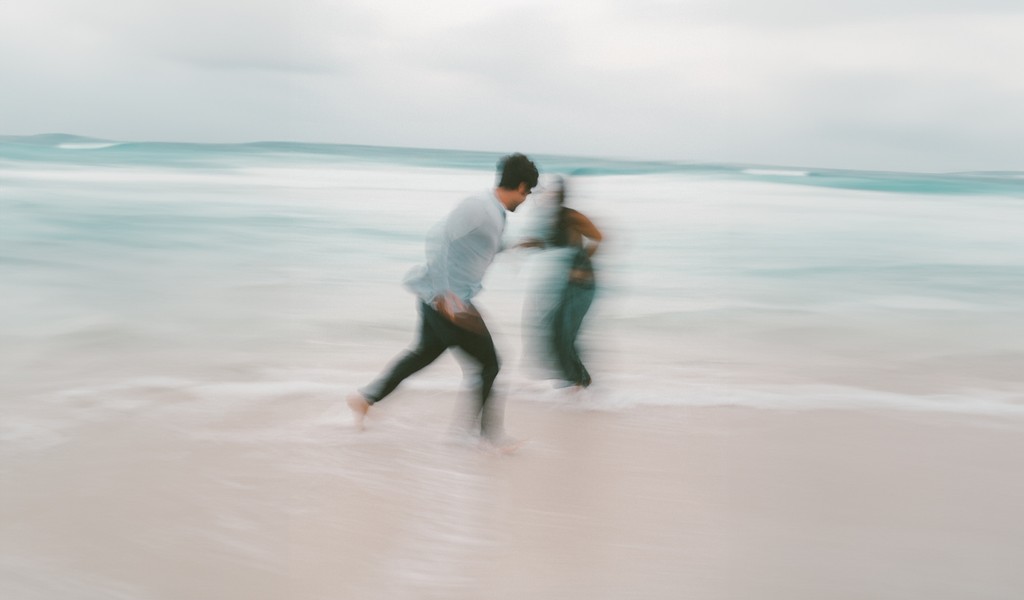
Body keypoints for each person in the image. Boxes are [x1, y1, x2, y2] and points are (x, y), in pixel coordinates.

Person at [347, 153, 539, 448]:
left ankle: (365, 399)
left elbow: (479, 246)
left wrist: (516, 245)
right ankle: (487, 439)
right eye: (527, 194)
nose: (526, 201)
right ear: (522, 186)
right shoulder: (479, 207)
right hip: (447, 301)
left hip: (441, 299)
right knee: (491, 364)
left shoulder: (495, 213)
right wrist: (443, 296)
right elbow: (438, 239)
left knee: (422, 354)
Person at [522, 175, 602, 389]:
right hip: (566, 283)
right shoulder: (551, 219)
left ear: (561, 196)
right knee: (555, 332)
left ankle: (582, 384)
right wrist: (531, 244)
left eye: (553, 194)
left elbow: (598, 237)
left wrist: (580, 265)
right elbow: (553, 245)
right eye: (547, 193)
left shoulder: (571, 216)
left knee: (565, 335)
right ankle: (575, 386)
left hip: (583, 282)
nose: (548, 197)